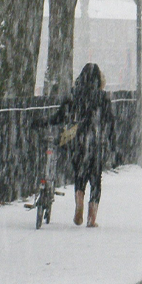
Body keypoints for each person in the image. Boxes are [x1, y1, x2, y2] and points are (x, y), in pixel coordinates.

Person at [52, 63, 112, 227]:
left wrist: (44, 123)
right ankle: (91, 218)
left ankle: (79, 203)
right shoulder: (102, 97)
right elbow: (109, 122)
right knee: (95, 179)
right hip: (95, 141)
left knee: (79, 174)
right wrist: (111, 141)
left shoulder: (73, 95)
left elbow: (59, 116)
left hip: (77, 140)